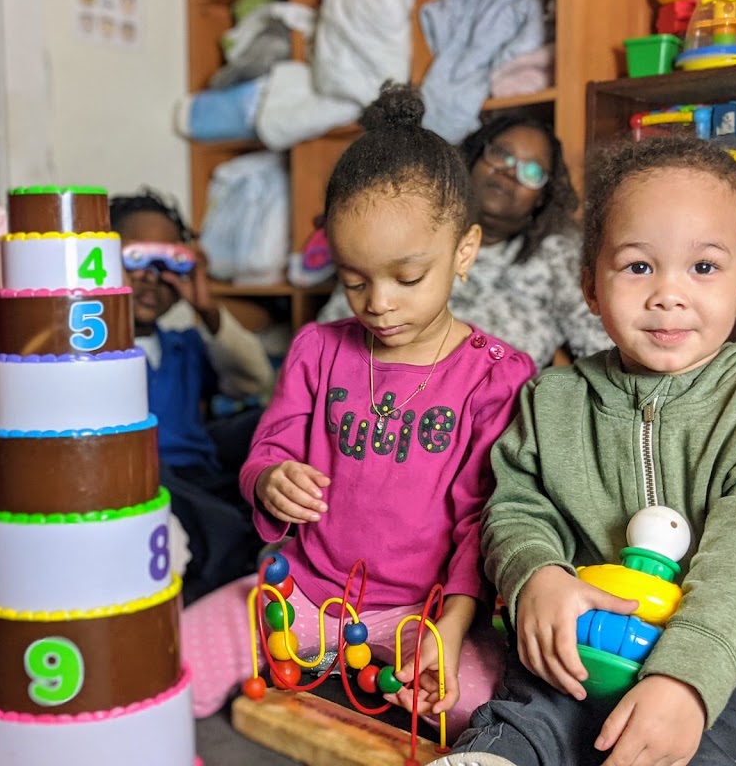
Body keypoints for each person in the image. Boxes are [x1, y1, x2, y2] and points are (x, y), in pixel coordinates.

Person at [181, 83, 536, 736]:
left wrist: (451, 631)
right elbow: (270, 448)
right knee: (175, 657)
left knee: (492, 713)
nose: (377, 303)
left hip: (426, 615)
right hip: (307, 597)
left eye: (406, 278)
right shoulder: (318, 348)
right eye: (353, 280)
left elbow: (482, 522)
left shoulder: (497, 377)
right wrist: (267, 477)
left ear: (464, 252)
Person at [435, 137, 736, 766]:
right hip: (587, 647)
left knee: (726, 738)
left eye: (703, 267)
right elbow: (515, 508)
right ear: (591, 286)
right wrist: (535, 575)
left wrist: (685, 680)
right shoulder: (552, 400)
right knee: (529, 714)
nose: (668, 294)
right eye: (638, 266)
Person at [317, 114, 612, 369]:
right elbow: (327, 342)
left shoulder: (557, 256)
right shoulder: (409, 229)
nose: (510, 172)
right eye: (501, 155)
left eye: (532, 172)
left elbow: (602, 348)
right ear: (471, 159)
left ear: (541, 199)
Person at [109, 188, 276, 604]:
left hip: (203, 473)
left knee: (270, 420)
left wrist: (206, 307)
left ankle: (256, 534)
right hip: (146, 483)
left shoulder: (185, 345)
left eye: (167, 264)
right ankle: (238, 553)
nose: (151, 276)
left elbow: (253, 382)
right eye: (136, 260)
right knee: (146, 465)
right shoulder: (95, 352)